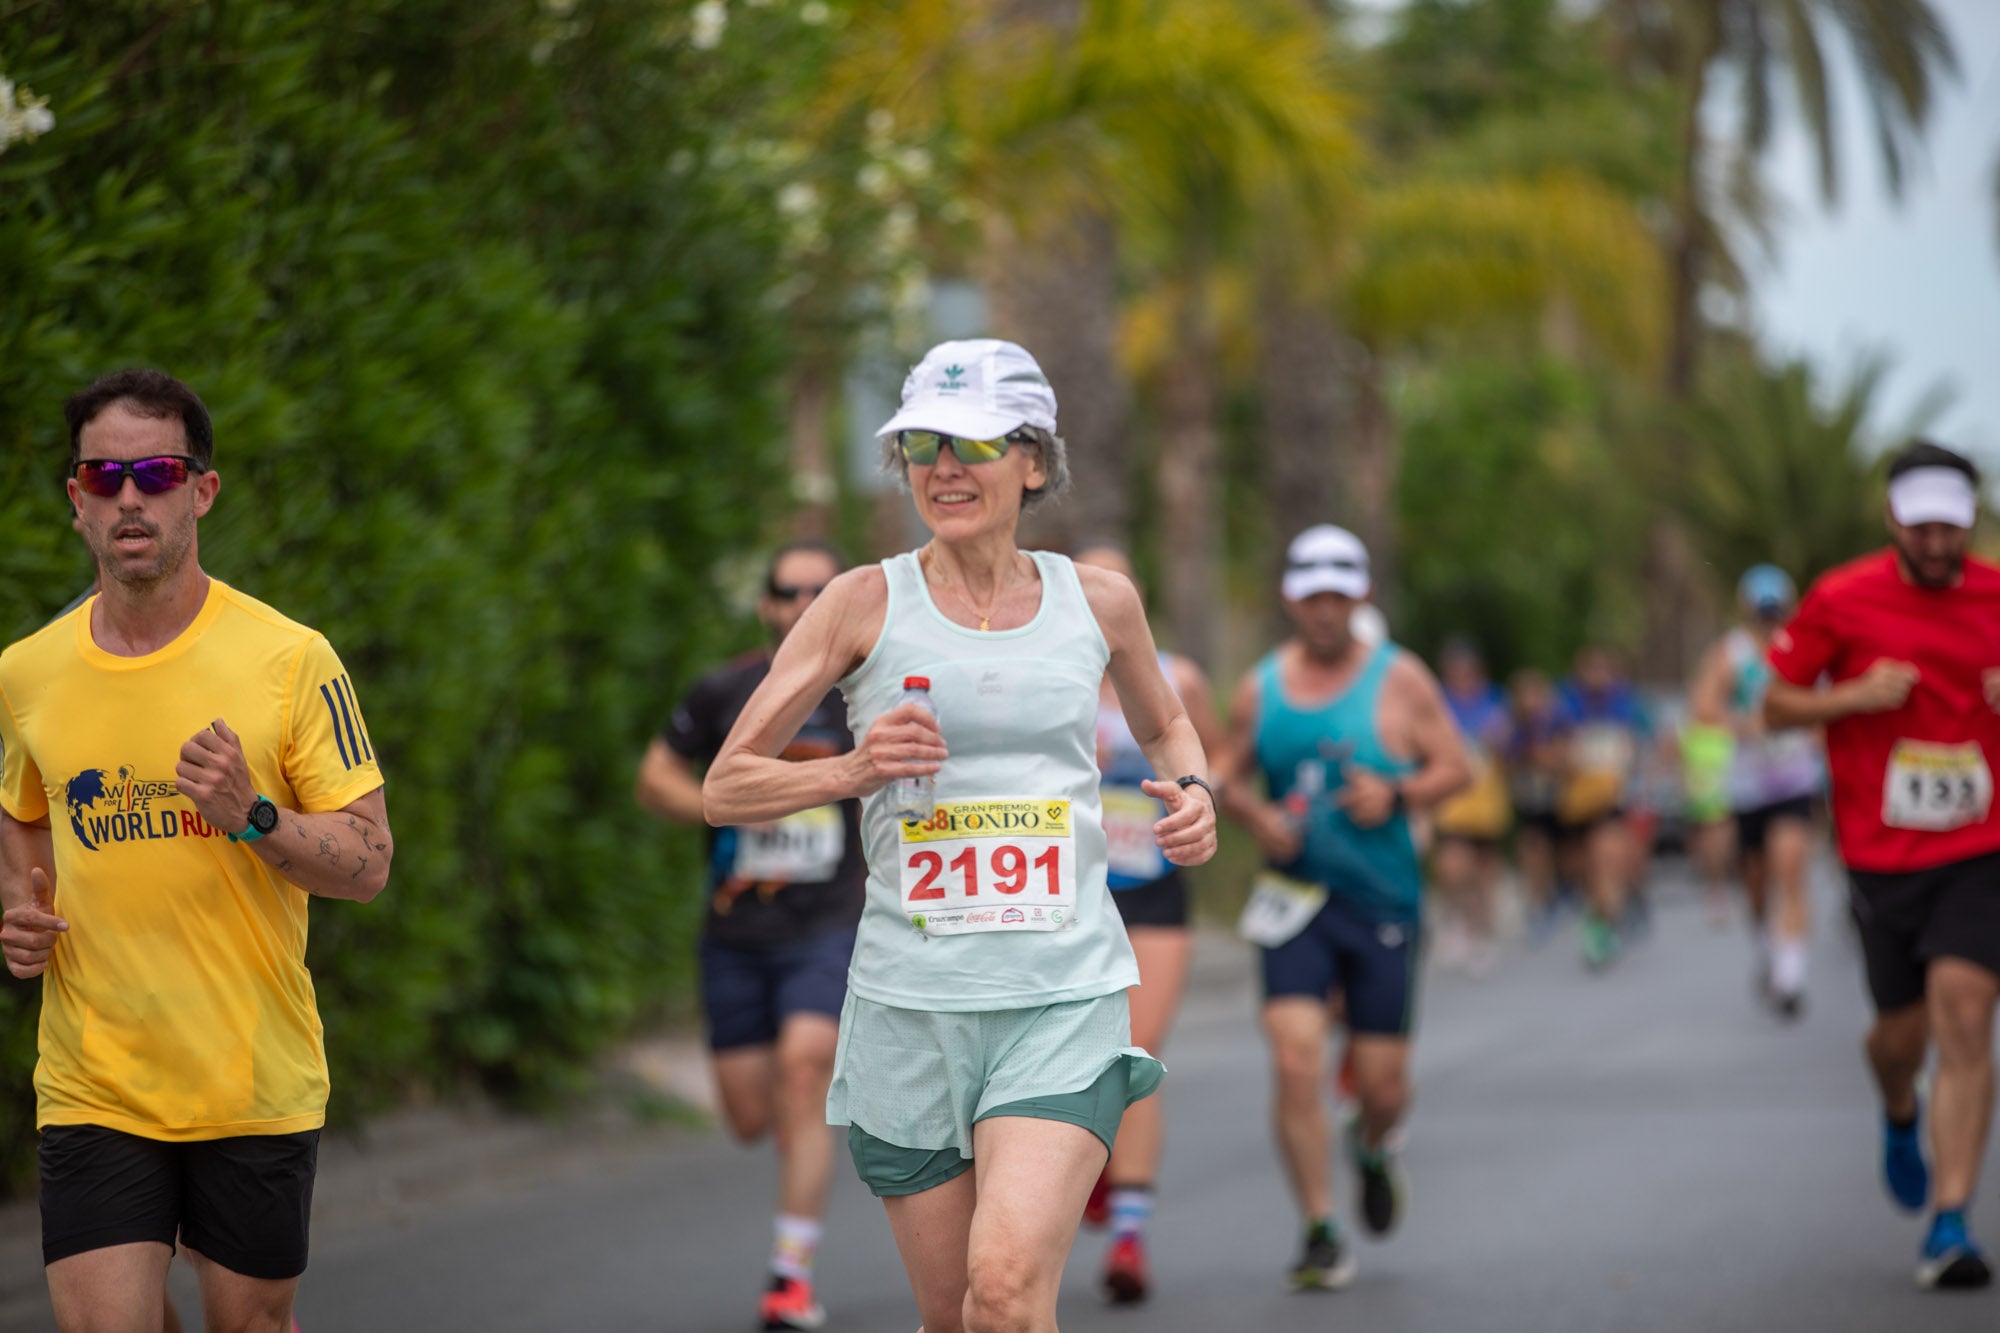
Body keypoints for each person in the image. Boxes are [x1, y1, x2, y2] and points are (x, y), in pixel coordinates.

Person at [701, 338, 1216, 1333]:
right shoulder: (860, 602)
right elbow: (726, 784)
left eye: (972, 442)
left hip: (1059, 995)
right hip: (911, 1008)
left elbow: (1167, 725)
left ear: (1032, 460)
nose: (942, 467)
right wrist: (854, 769)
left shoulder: (1098, 601)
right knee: (956, 1318)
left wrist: (1193, 790)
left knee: (1005, 1291)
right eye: (921, 444)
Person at [0, 369, 393, 1333]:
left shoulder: (291, 658)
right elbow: (22, 806)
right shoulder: (26, 672)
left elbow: (371, 858)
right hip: (94, 1077)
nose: (129, 496)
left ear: (202, 491)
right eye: (105, 476)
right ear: (77, 499)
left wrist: (253, 814)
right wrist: (20, 906)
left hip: (249, 1077)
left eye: (158, 472)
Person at [1764, 440, 2000, 1289]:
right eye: (1921, 525)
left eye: (1951, 526)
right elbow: (1774, 703)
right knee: (1900, 1037)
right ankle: (1899, 1109)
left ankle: (1950, 1220)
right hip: (1881, 853)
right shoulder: (1842, 597)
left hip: (1982, 846)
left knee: (1965, 1009)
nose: (1936, 542)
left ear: (1971, 520)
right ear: (1894, 518)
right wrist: (1851, 696)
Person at [1213, 524, 1471, 1290]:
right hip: (1293, 902)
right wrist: (1257, 816)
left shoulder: (1401, 679)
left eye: (1338, 595)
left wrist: (1396, 792)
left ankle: (1373, 1143)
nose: (1324, 609)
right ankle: (1321, 1228)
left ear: (1361, 596)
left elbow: (1457, 766)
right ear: (1290, 599)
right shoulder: (1261, 687)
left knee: (1384, 1087)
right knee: (1295, 1058)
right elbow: (1221, 774)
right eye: (1311, 596)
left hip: (1381, 899)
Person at [634, 539, 861, 1331]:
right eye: (788, 591)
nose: (803, 605)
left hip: (829, 925)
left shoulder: (862, 695)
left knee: (804, 1069)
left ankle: (789, 1275)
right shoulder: (724, 690)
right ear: (766, 603)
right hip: (735, 933)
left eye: (819, 591)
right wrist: (721, 803)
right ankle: (797, 1136)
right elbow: (653, 776)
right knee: (748, 1116)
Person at [1069, 541, 1224, 1304]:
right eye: (1085, 583)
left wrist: (1196, 798)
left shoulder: (1177, 677)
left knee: (1136, 1051)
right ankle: (1096, 1154)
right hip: (1069, 893)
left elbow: (1213, 758)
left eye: (1113, 584)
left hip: (1154, 888)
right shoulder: (1048, 676)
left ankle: (1129, 1235)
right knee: (1079, 1057)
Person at [1689, 565, 1822, 1017]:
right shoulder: (1731, 653)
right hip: (1748, 785)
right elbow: (1703, 707)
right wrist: (1745, 725)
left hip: (1794, 779)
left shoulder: (1803, 649)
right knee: (1757, 883)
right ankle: (1767, 945)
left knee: (1791, 866)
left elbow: (1824, 704)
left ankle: (1791, 975)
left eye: (1776, 612)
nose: (1769, 621)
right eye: (1762, 613)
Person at [1554, 646, 1650, 969]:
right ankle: (1602, 915)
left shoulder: (1627, 703)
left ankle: (1604, 926)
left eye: (1601, 669)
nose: (1595, 676)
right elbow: (1545, 750)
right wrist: (1564, 757)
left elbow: (1650, 744)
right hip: (1576, 804)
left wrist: (1640, 777)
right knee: (1584, 870)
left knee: (1607, 859)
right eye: (1589, 669)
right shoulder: (1566, 704)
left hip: (1614, 801)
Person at [1431, 640, 1513, 975]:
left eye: (1467, 670)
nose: (1462, 676)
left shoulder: (1494, 702)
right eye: (1455, 670)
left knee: (1483, 874)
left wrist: (1500, 738)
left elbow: (1508, 745)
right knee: (1452, 866)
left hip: (1486, 803)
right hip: (1452, 803)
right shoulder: (1439, 702)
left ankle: (1482, 933)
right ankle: (1456, 920)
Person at [1505, 668, 1568, 944]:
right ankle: (1539, 902)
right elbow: (1507, 762)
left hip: (1558, 799)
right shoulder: (1515, 728)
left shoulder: (1557, 724)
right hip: (1529, 800)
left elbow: (1566, 760)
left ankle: (1557, 893)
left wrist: (1547, 758)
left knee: (1560, 852)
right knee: (1533, 848)